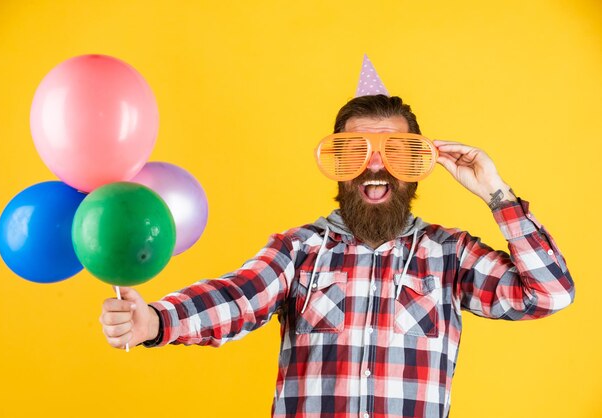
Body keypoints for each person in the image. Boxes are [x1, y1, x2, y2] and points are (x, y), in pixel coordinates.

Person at [100, 61, 574, 418]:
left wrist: (495, 191)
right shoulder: (300, 250)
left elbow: (548, 294)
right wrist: (156, 321)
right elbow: (239, 296)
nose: (374, 165)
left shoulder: (449, 254)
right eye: (355, 152)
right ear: (337, 166)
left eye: (395, 152)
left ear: (415, 167)